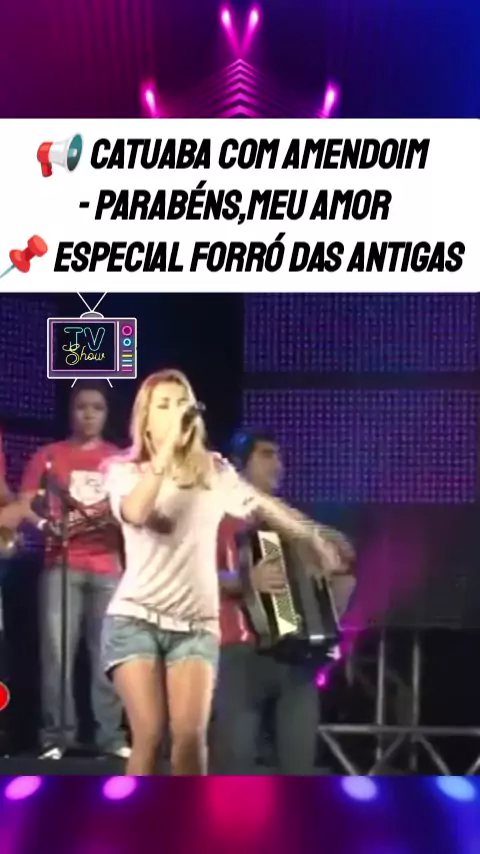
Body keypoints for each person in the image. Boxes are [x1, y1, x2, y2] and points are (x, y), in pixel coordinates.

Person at [101, 368, 346, 776]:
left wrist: (311, 536)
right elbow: (137, 512)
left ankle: (189, 816)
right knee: (150, 734)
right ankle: (139, 813)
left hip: (196, 624)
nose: (175, 411)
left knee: (189, 738)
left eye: (182, 403)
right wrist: (166, 454)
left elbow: (261, 504)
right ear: (146, 420)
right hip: (135, 618)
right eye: (164, 405)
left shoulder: (213, 472)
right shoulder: (123, 470)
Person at [213, 429, 355, 775]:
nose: (277, 464)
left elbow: (342, 553)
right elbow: (192, 575)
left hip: (295, 654)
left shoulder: (290, 519)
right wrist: (247, 581)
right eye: (266, 455)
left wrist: (331, 580)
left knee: (299, 768)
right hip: (238, 651)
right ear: (239, 464)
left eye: (279, 456)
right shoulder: (215, 514)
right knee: (234, 770)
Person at [19, 382, 128, 760]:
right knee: (57, 655)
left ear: (106, 414)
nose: (89, 414)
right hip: (61, 565)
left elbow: (131, 508)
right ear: (71, 412)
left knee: (107, 655)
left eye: (97, 407)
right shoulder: (49, 455)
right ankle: (56, 738)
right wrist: (44, 526)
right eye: (82, 407)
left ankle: (110, 737)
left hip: (107, 566)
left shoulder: (118, 459)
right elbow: (25, 504)